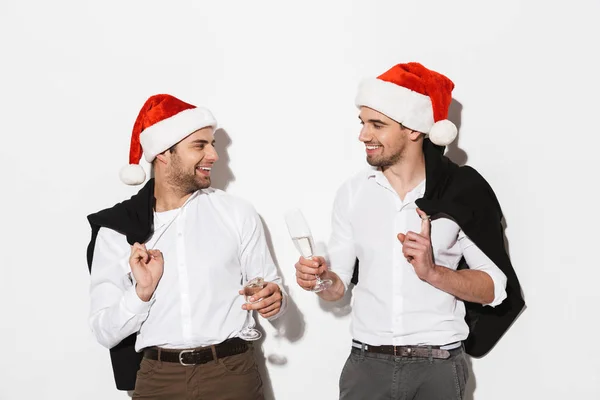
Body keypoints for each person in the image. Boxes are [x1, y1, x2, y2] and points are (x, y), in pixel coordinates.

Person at [294, 62, 525, 399]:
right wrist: (321, 279)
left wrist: (433, 272)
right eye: (362, 123)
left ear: (414, 129)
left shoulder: (459, 191)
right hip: (366, 367)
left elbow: (495, 288)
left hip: (438, 369)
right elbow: (337, 286)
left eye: (377, 124)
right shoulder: (353, 193)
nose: (363, 135)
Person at [86, 94, 287, 399]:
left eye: (213, 145)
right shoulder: (118, 230)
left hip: (232, 374)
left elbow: (270, 288)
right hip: (158, 381)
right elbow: (104, 331)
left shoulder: (236, 213)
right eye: (200, 145)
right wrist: (141, 294)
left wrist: (275, 298)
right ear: (164, 153)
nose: (214, 156)